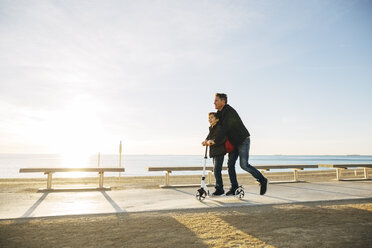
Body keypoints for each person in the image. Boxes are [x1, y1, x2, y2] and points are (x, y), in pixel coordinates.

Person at [213, 93, 268, 195]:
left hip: (242, 140)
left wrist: (215, 141)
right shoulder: (220, 113)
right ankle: (234, 187)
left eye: (216, 100)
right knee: (230, 165)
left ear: (223, 101)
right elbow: (216, 127)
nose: (214, 102)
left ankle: (262, 180)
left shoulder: (229, 111)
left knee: (244, 165)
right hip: (234, 142)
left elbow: (224, 129)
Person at [202, 112, 226, 196]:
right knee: (216, 171)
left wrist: (212, 141)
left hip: (219, 152)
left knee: (216, 171)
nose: (210, 119)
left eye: (212, 118)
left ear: (217, 119)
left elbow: (219, 138)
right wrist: (205, 141)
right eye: (209, 118)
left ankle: (220, 190)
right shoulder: (212, 128)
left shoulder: (219, 128)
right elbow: (208, 137)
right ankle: (219, 188)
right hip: (214, 152)